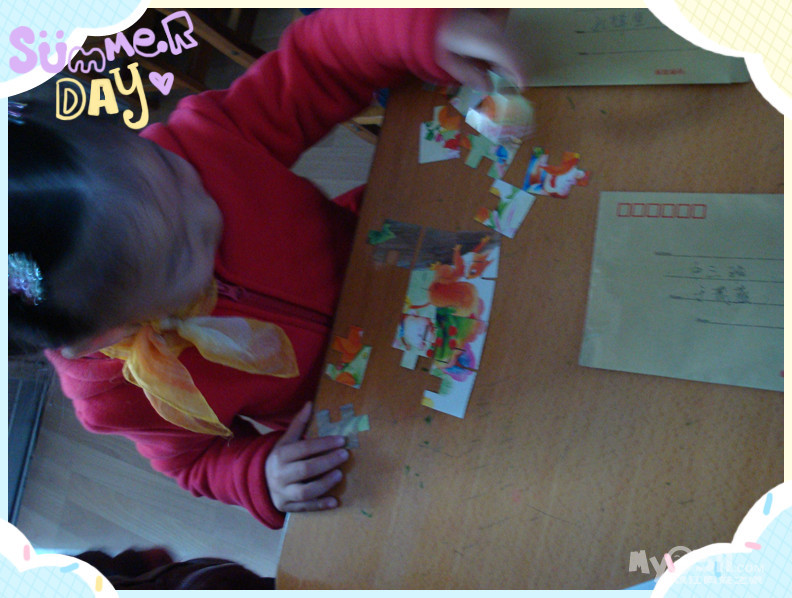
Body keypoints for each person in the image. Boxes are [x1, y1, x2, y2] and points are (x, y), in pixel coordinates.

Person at [9, 8, 526, 529]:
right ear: (104, 333)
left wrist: (413, 28)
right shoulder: (114, 396)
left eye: (166, 165)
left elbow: (320, 61)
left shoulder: (201, 145)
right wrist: (260, 474)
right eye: (181, 254)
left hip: (403, 253)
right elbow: (194, 462)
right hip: (385, 403)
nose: (204, 207)